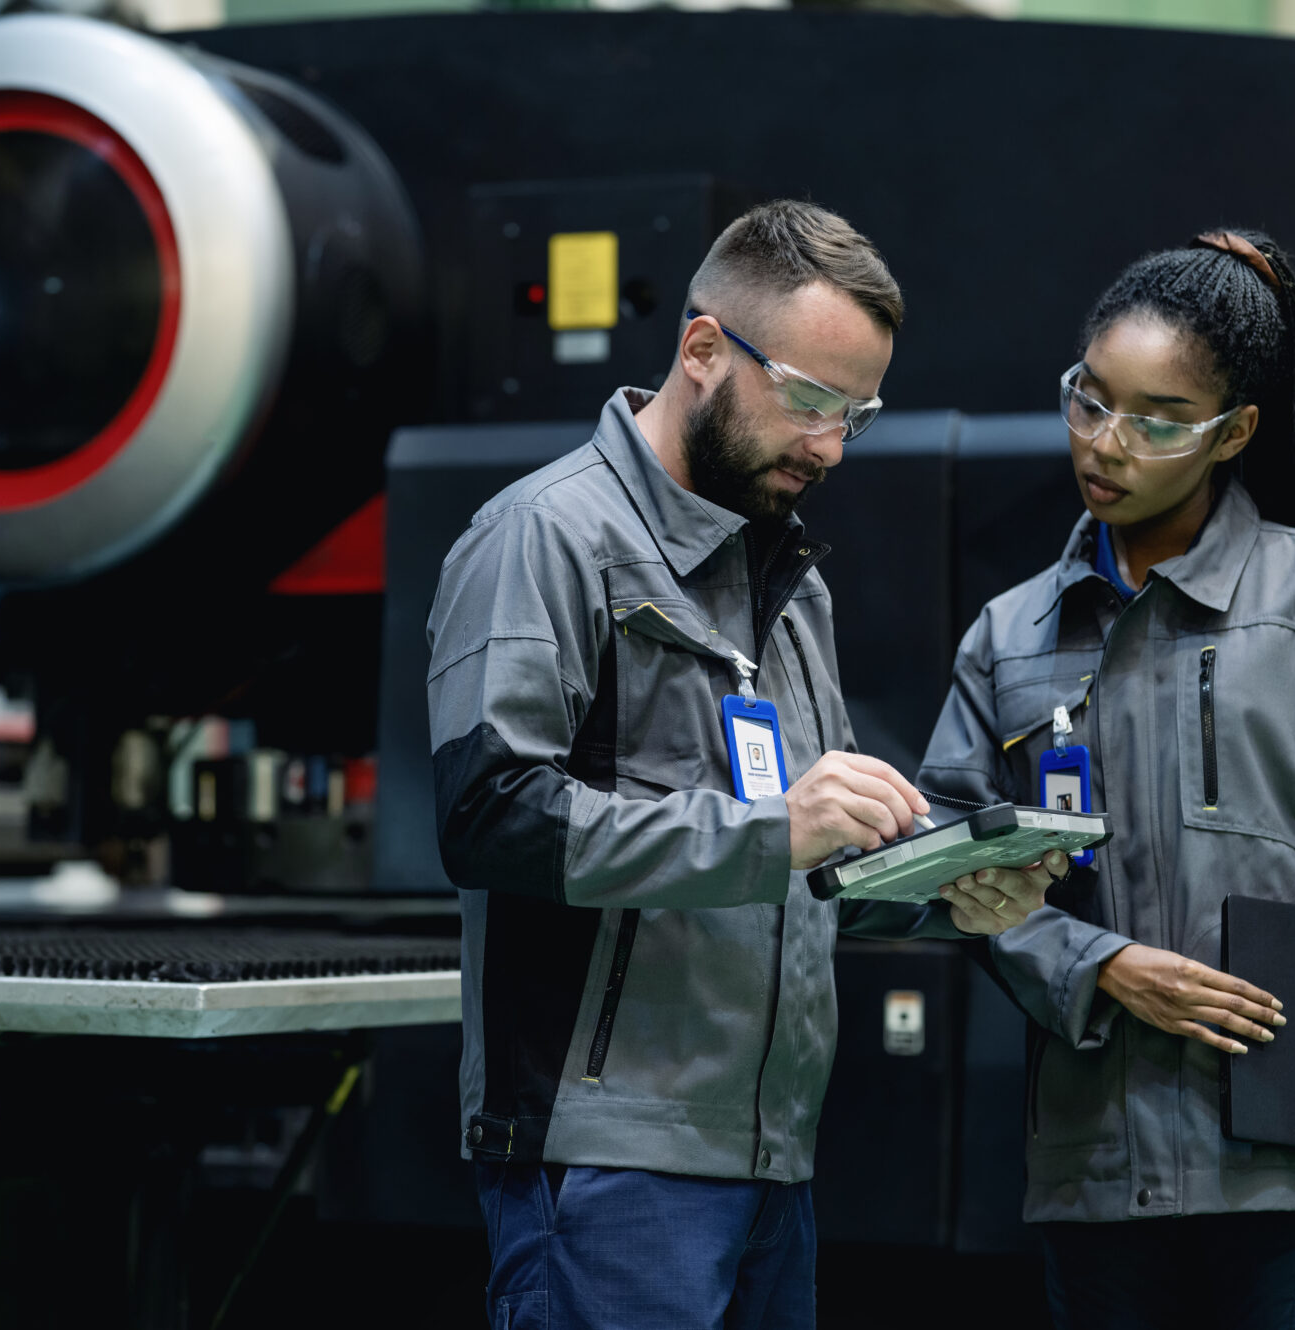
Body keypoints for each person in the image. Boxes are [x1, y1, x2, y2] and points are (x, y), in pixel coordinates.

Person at [425, 200, 1070, 1329]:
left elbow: (800, 868)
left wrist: (937, 898)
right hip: (604, 1158)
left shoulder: (784, 581)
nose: (828, 445)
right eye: (811, 399)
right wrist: (774, 831)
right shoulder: (545, 537)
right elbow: (491, 815)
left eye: (856, 415)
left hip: (769, 1156)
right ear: (704, 350)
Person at [916, 230, 1295, 1329]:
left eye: (1155, 419)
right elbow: (951, 871)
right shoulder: (1009, 637)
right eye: (1088, 400)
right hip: (1098, 1177)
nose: (1106, 443)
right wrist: (1095, 964)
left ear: (1232, 432)